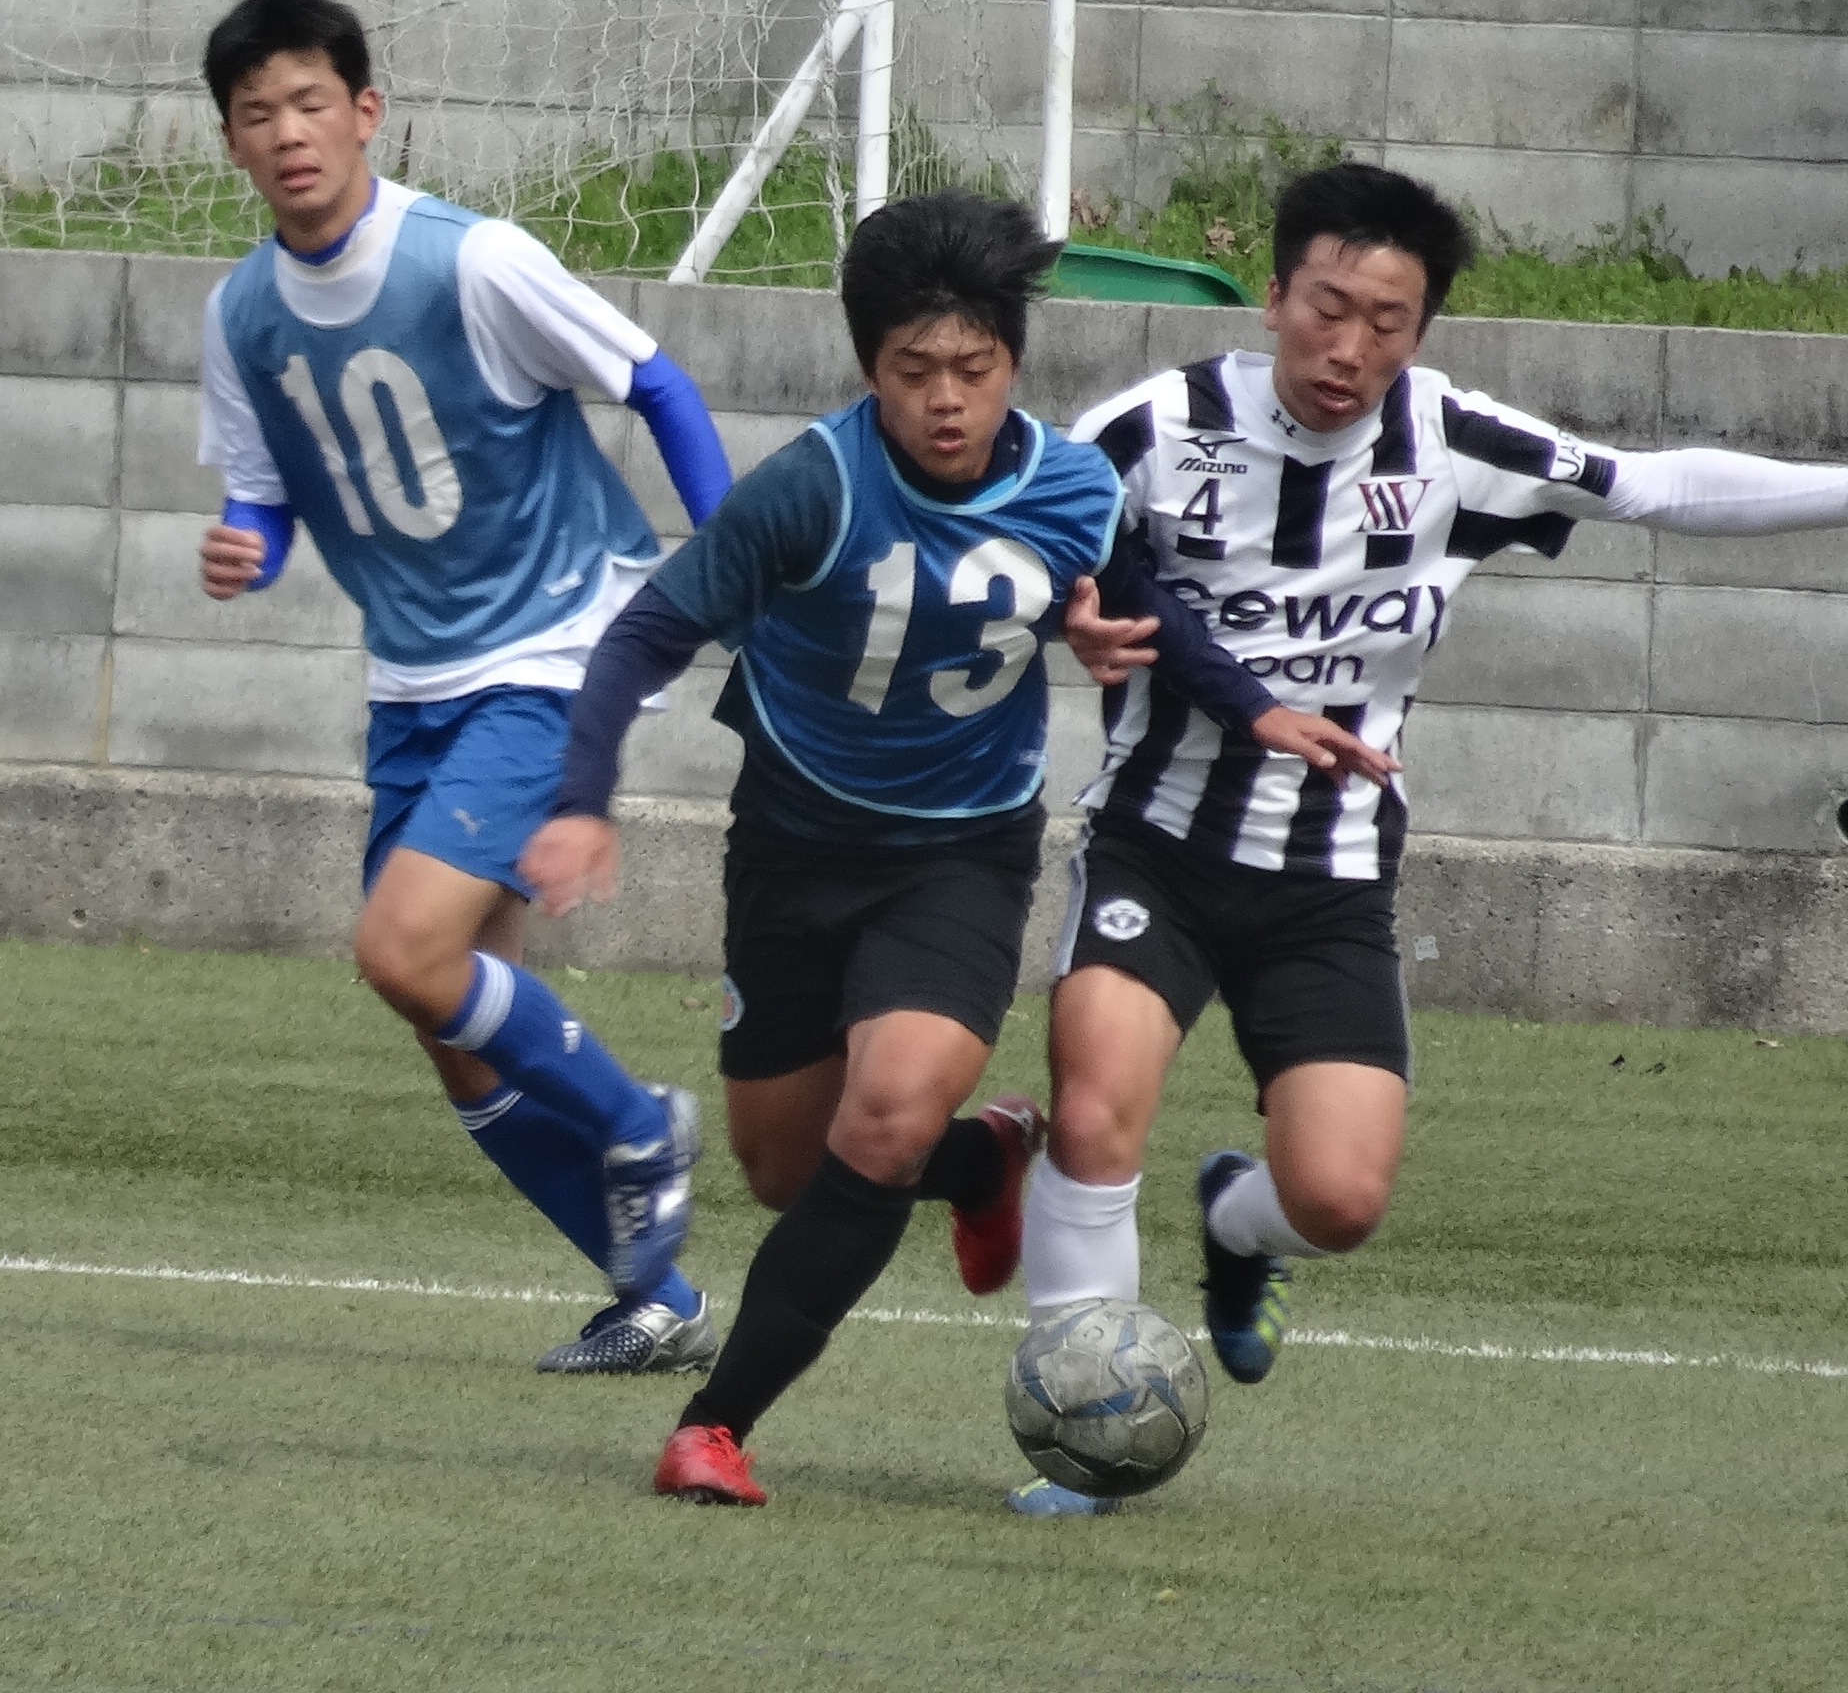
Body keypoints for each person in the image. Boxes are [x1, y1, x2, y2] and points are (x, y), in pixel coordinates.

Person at [1012, 160, 1848, 1515]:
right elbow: (1026, 551)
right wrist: (1066, 619)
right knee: (1091, 1108)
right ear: (1273, 298)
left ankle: (1235, 1221)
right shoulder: (1148, 429)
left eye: (1388, 321)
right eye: (1328, 308)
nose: (1350, 347)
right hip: (1157, 845)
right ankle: (1082, 1447)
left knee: (1340, 1201)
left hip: (1330, 873)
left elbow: (1646, 487)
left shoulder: (1449, 441)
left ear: (1421, 331)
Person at [527, 191, 1379, 1507]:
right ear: (870, 369)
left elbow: (1141, 607)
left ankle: (715, 1429)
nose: (945, 399)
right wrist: (584, 796)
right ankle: (983, 1162)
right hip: (791, 848)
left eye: (973, 369)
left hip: (960, 857)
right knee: (784, 1170)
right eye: (913, 369)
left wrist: (1255, 707)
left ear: (1012, 363)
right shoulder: (811, 487)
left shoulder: (1072, 486)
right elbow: (646, 634)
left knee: (883, 1118)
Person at [195, 0, 741, 1376]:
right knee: (451, 1021)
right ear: (231, 142)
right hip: (414, 683)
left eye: (311, 102)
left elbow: (655, 383)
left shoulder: (475, 261)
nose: (289, 132)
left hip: (556, 650)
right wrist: (248, 546)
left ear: (366, 112)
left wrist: (725, 564)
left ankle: (639, 1122)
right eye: (258, 113)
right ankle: (657, 1298)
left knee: (402, 950)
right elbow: (267, 492)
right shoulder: (243, 314)